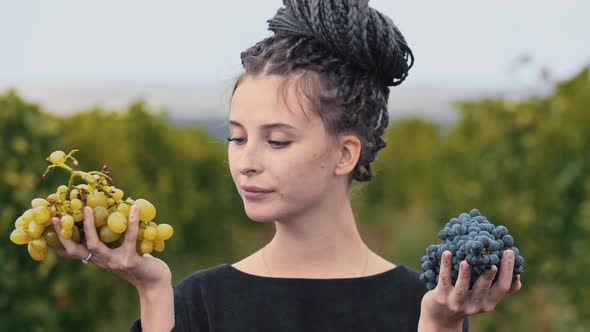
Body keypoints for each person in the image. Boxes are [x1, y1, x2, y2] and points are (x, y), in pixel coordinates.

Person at [49, 1, 522, 331]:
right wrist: (152, 291)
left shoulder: (419, 306)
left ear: (345, 154)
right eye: (236, 138)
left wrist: (441, 325)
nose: (245, 162)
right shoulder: (195, 303)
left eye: (276, 141)